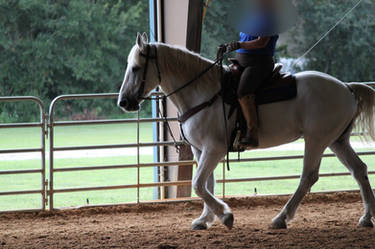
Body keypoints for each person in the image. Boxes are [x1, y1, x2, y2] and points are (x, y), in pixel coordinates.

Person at [225, 0, 279, 147]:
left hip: (259, 63)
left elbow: (262, 43)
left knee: (243, 91)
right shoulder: (251, 17)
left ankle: (252, 133)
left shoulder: (269, 18)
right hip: (242, 61)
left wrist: (238, 45)